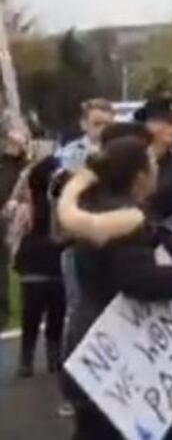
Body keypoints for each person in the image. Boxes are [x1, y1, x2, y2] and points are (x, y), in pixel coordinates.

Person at [57, 136, 172, 440]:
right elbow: (138, 280)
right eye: (153, 163)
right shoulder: (125, 220)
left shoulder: (94, 206)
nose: (158, 169)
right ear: (140, 175)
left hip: (88, 336)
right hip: (115, 346)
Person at [14, 155, 65, 377]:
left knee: (55, 310)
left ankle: (49, 356)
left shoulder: (63, 201)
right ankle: (29, 357)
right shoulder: (31, 202)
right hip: (37, 259)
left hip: (52, 259)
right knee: (34, 310)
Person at [56, 98, 114, 173]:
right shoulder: (72, 152)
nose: (103, 129)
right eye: (97, 124)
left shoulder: (118, 150)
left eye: (107, 124)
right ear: (83, 124)